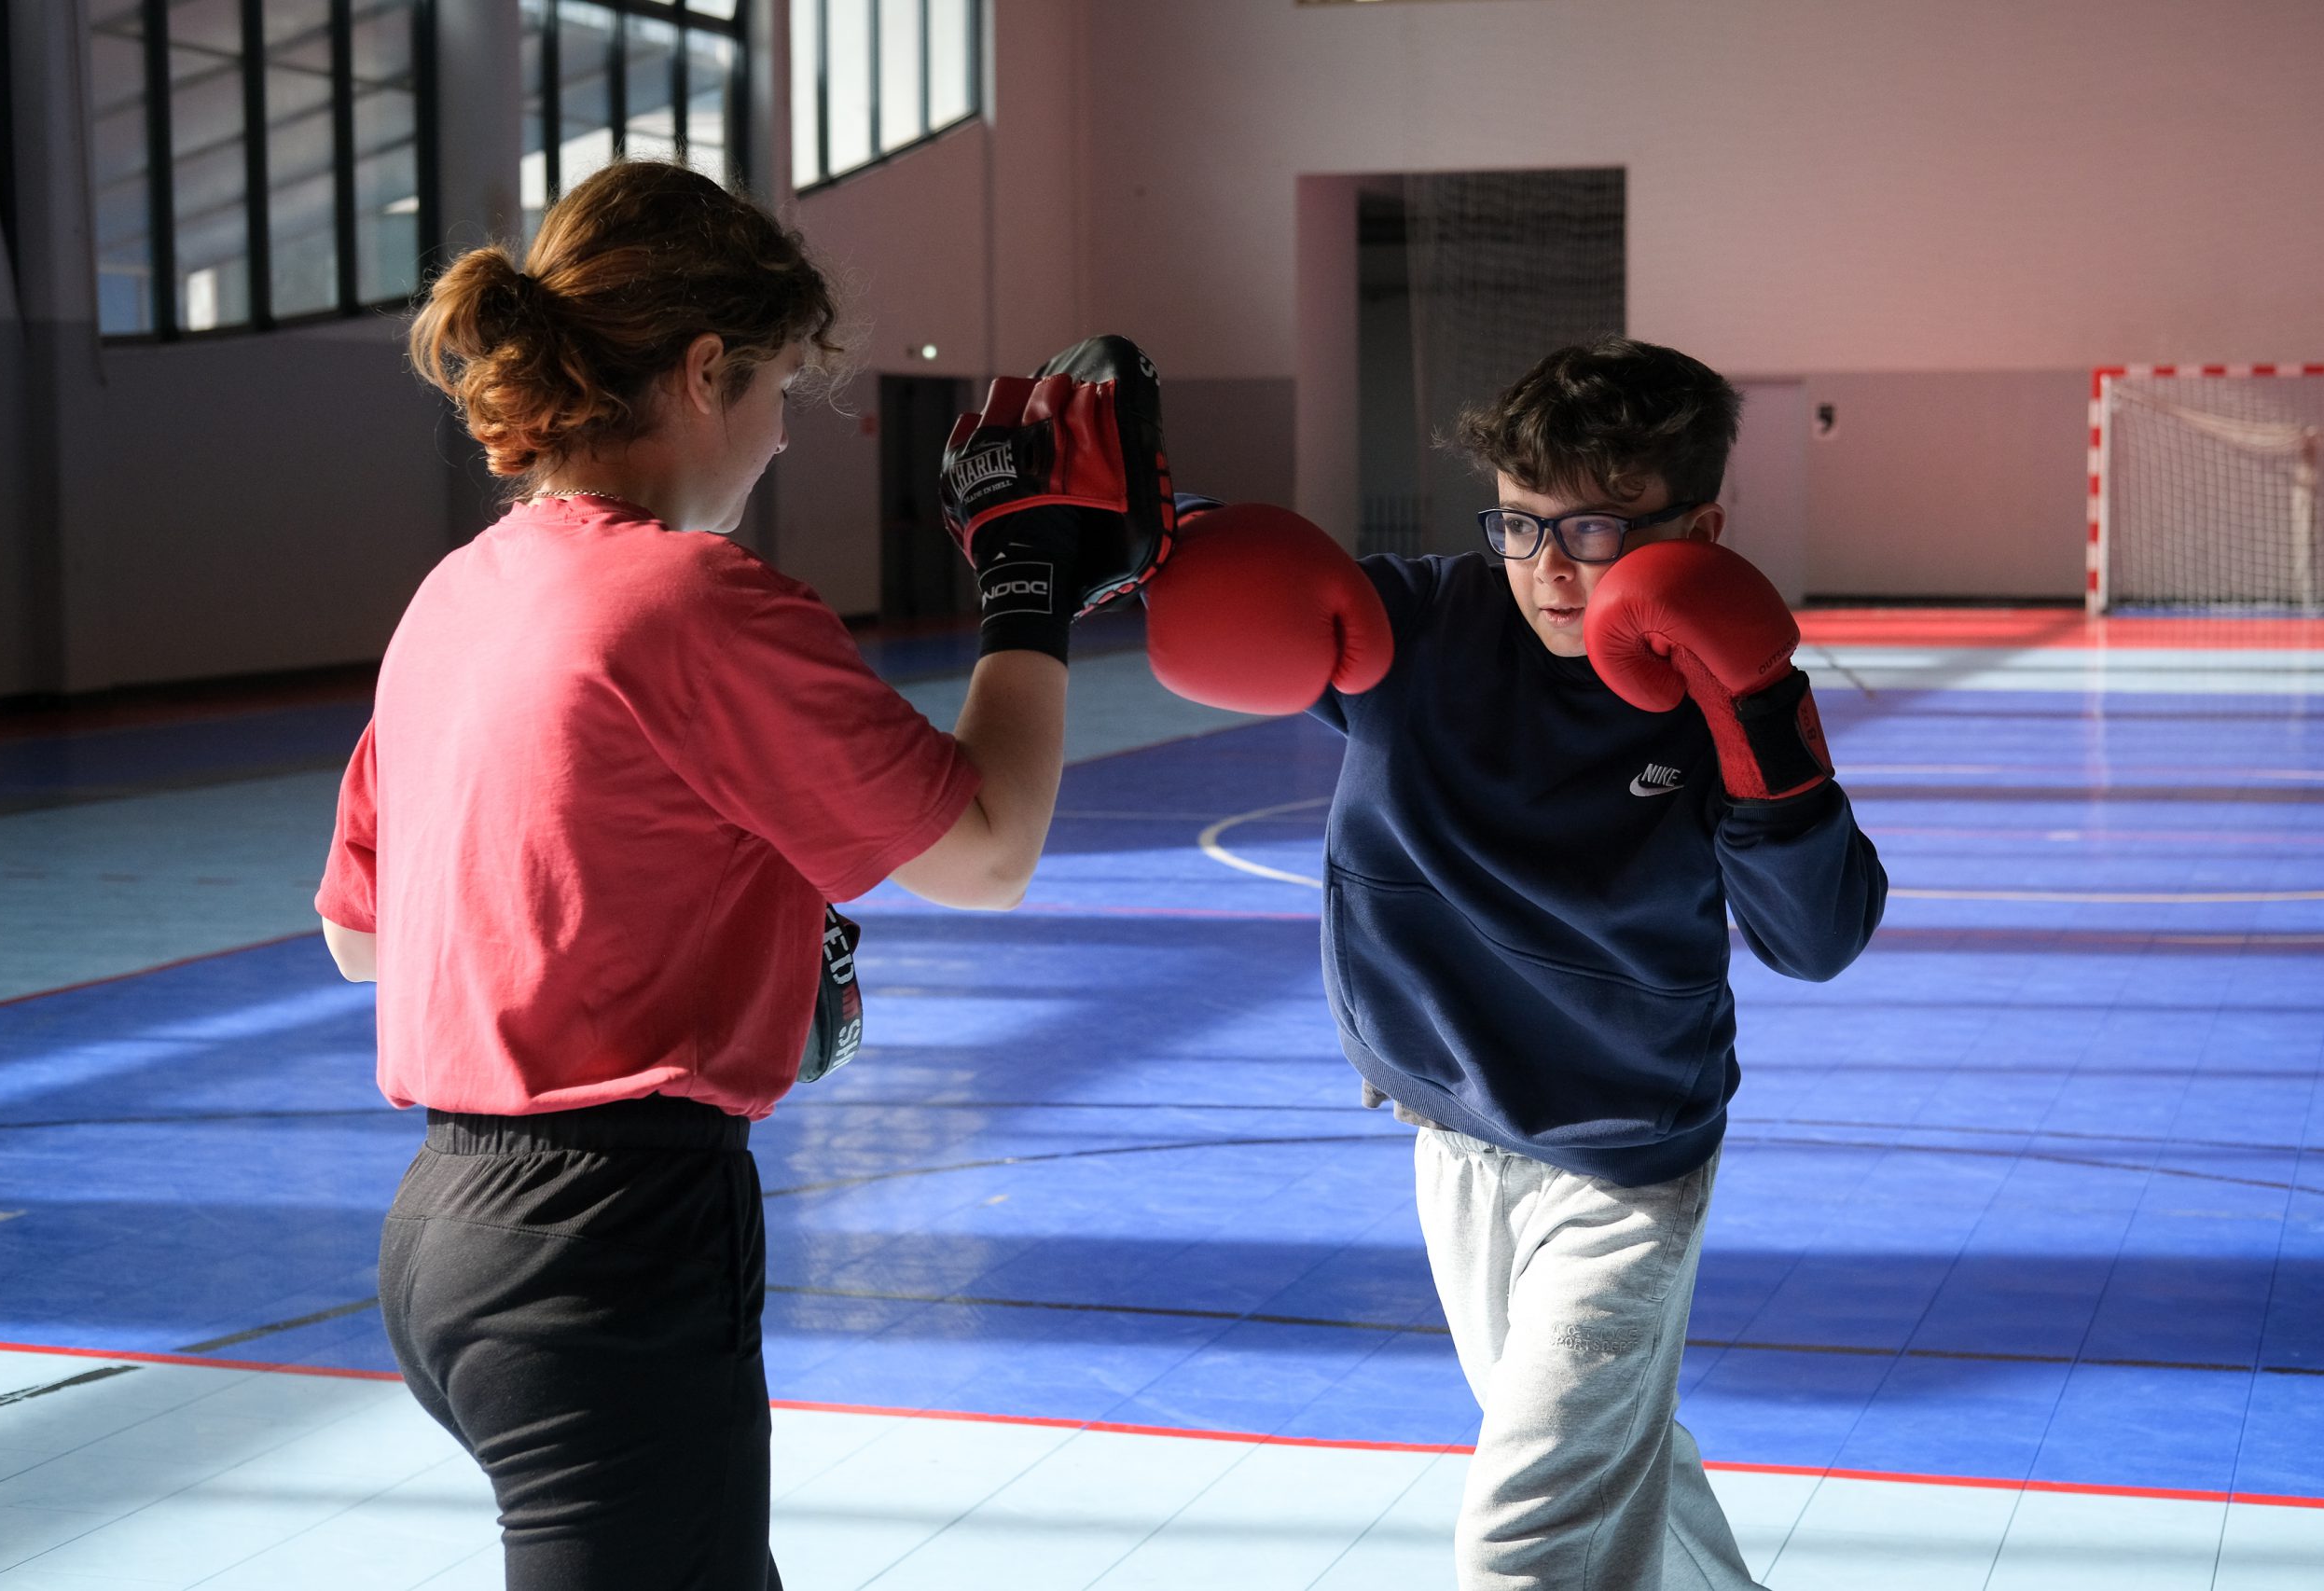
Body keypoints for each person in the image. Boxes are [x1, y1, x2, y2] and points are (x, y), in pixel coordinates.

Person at [314, 159, 1168, 1589]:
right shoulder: (693, 597)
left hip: (443, 1239)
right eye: (776, 389)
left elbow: (361, 936)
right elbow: (989, 850)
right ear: (705, 370)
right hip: (607, 1243)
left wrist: (672, 921)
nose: (777, 438)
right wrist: (1027, 586)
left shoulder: (458, 589)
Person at [1142, 336, 1888, 1590]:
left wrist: (1760, 719)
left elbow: (1816, 940)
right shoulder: (1418, 631)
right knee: (1614, 1464)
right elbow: (1242, 592)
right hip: (1456, 1135)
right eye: (1519, 523)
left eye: (1594, 530)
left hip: (1624, 1165)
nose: (1547, 567)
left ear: (1699, 531)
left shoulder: (1715, 691)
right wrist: (1147, 539)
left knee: (1529, 1533)